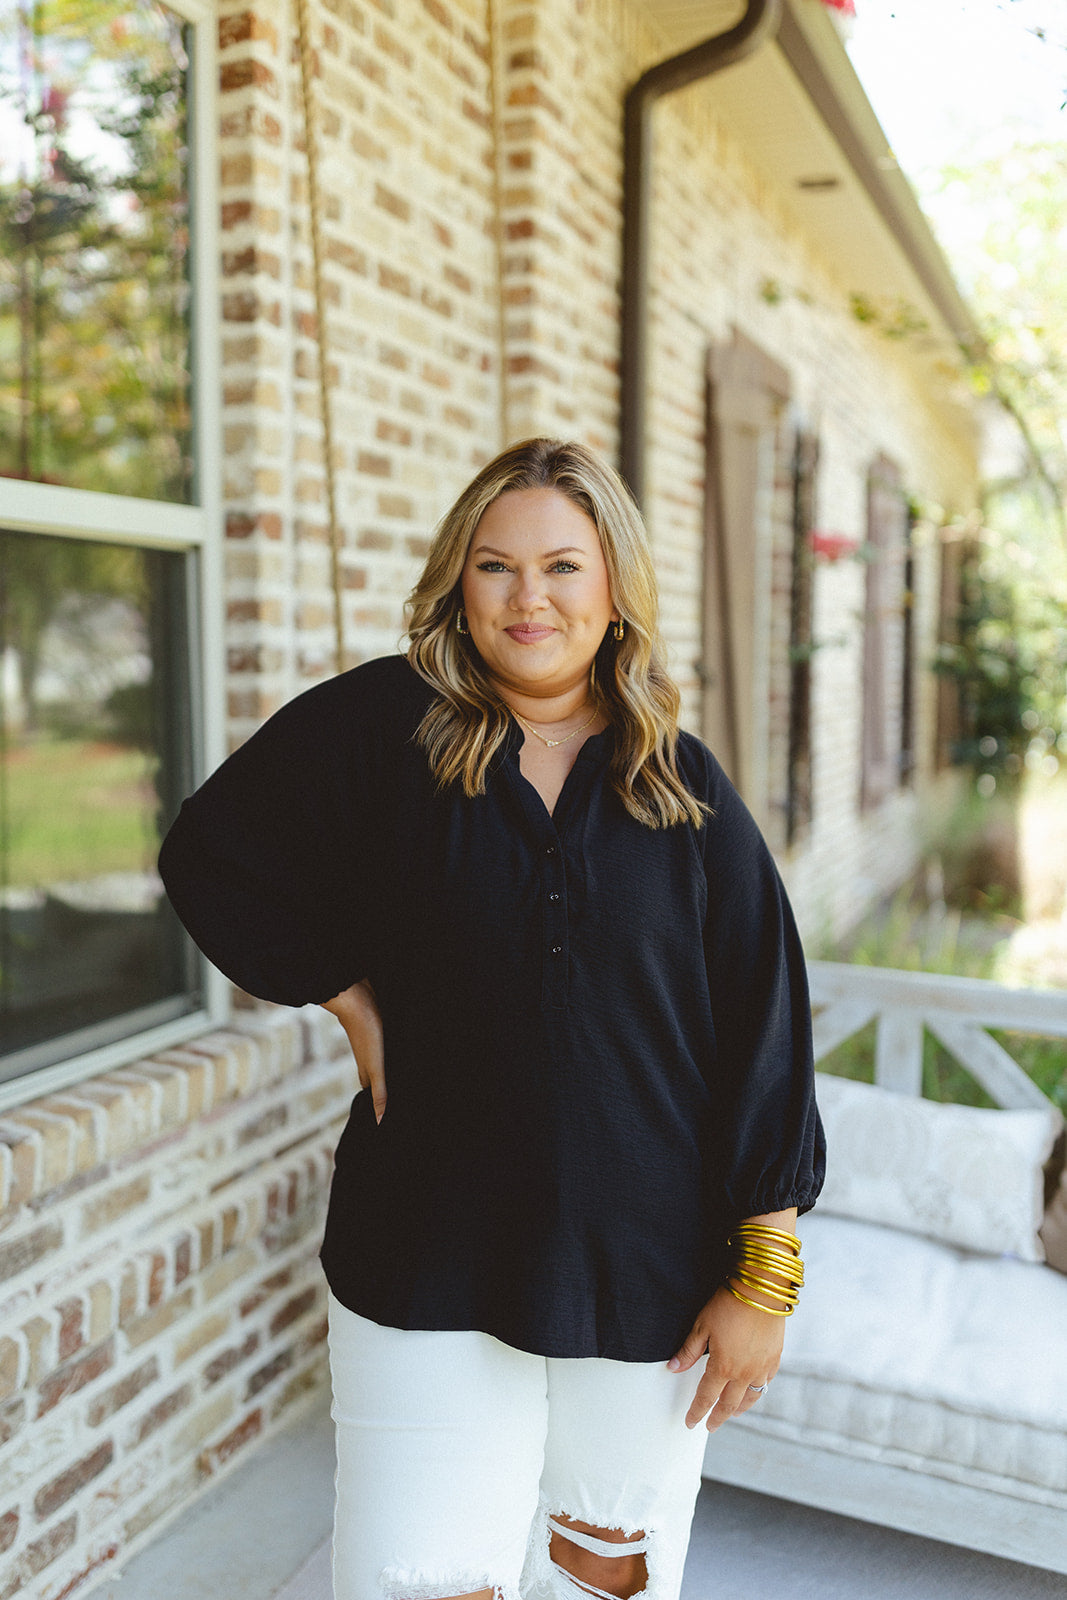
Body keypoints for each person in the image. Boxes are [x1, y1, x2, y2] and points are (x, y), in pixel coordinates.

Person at [158, 437, 825, 1600]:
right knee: (424, 1577)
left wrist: (761, 1277)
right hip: (424, 1253)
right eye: (495, 566)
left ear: (613, 588)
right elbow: (213, 854)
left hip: (650, 1274)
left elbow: (761, 1024)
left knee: (602, 1573)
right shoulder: (385, 730)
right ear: (457, 587)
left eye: (563, 566)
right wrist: (343, 992)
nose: (530, 598)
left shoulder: (682, 786)